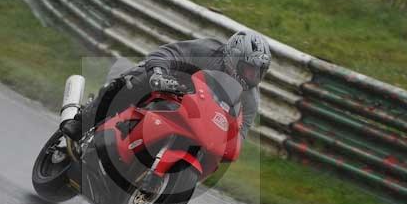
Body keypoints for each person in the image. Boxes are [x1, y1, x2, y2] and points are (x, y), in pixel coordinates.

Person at [61, 29, 272, 141]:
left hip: (195, 115)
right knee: (134, 81)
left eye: (258, 72)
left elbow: (240, 134)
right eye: (249, 69)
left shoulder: (250, 99)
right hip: (166, 84)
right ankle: (82, 122)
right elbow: (166, 53)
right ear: (234, 58)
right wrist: (158, 74)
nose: (253, 77)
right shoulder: (206, 51)